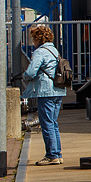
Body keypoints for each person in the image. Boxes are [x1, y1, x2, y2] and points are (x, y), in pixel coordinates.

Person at [22, 24, 64, 165]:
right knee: (53, 123)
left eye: (33, 38)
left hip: (46, 91)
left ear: (38, 39)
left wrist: (24, 76)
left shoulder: (40, 52)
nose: (33, 41)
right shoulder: (54, 50)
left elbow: (31, 72)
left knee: (46, 124)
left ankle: (52, 155)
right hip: (58, 90)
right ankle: (57, 153)